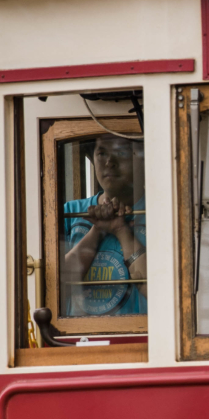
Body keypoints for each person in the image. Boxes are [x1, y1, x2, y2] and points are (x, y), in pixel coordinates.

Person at [61, 132, 146, 316]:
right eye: (102, 153)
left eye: (121, 152)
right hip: (79, 337)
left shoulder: (160, 212)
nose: (109, 162)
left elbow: (158, 291)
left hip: (142, 336)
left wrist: (120, 230)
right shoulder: (69, 211)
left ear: (142, 159)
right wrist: (97, 230)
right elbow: (56, 286)